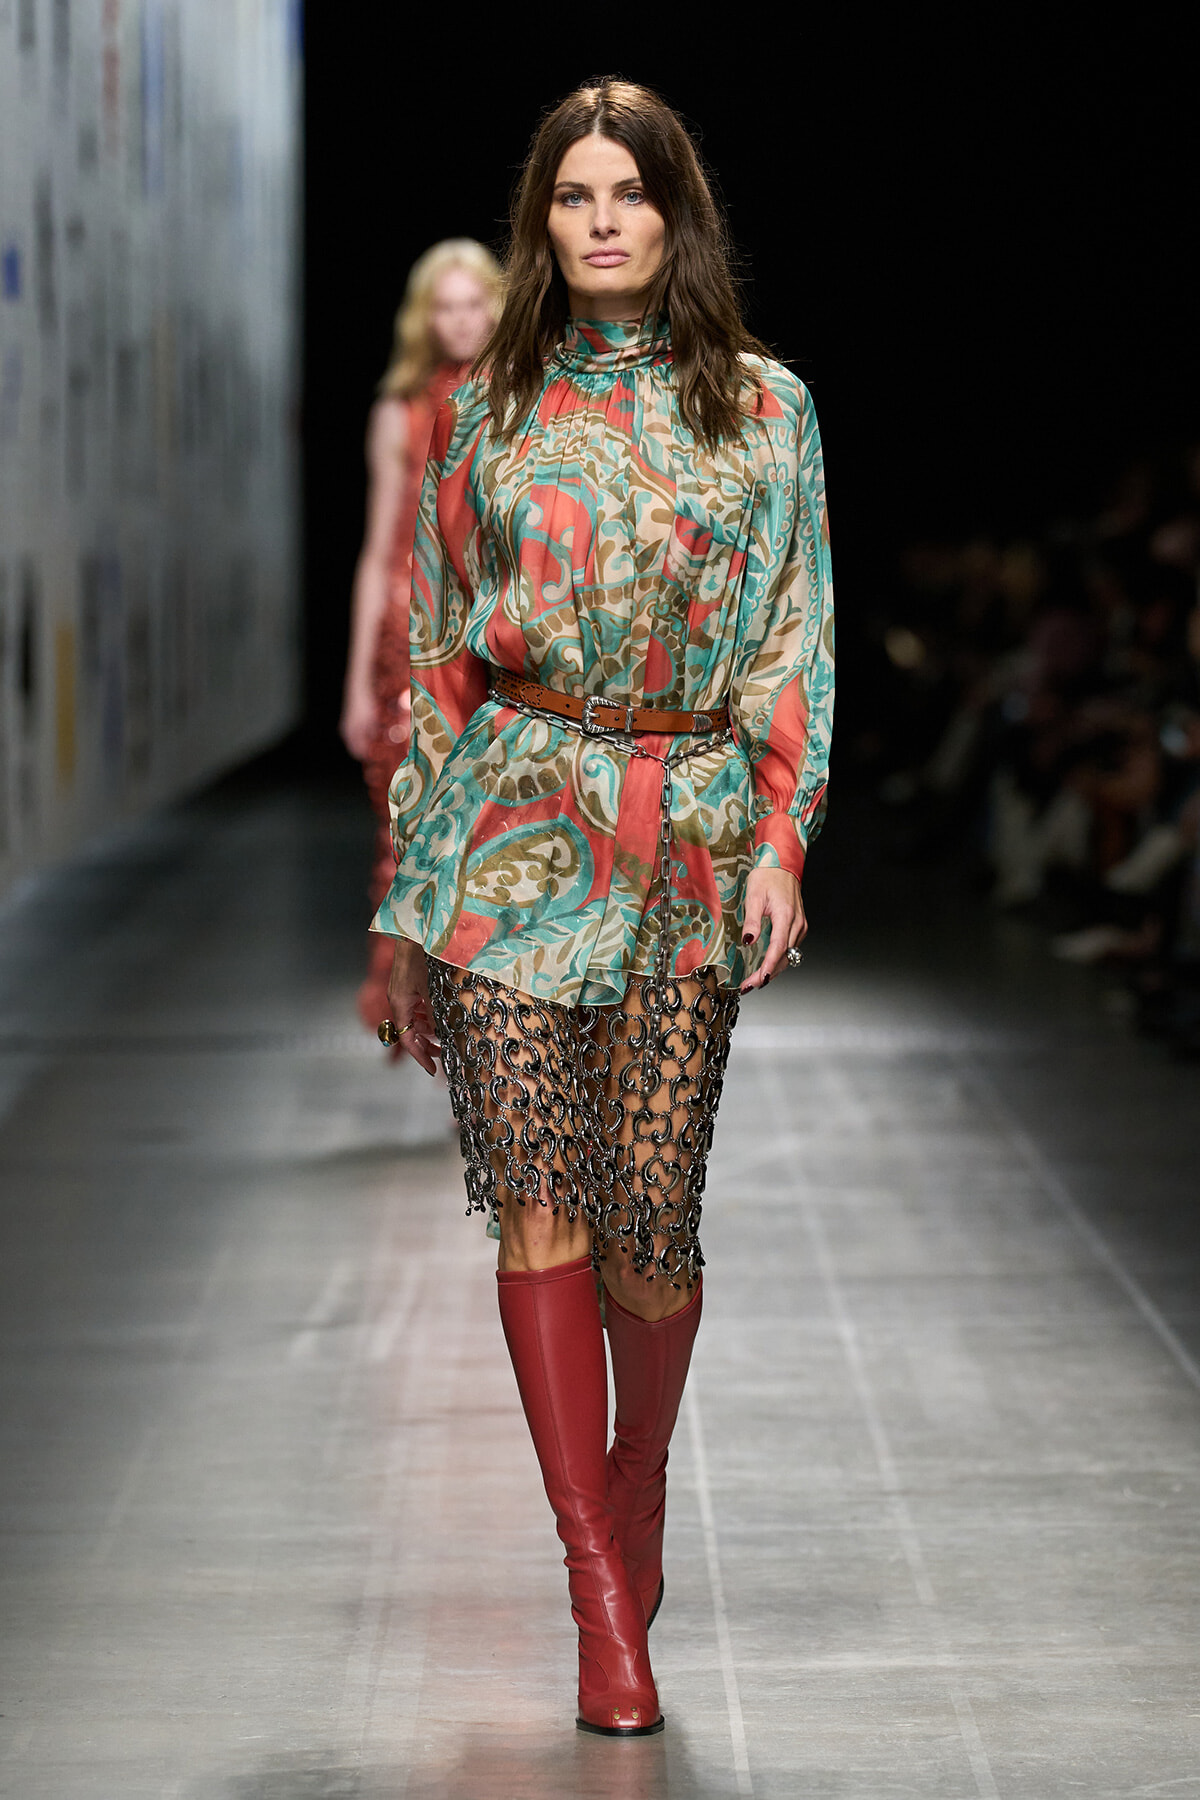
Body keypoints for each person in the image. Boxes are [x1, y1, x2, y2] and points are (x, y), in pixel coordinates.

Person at [373, 79, 833, 1736]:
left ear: (676, 213)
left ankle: (635, 1496)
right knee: (541, 1207)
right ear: (543, 221)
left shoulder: (766, 414)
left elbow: (793, 640)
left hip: (691, 835)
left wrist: (784, 836)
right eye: (573, 195)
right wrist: (409, 890)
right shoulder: (485, 411)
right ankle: (596, 1593)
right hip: (507, 837)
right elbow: (438, 652)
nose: (604, 219)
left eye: (630, 192)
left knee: (652, 1227)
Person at [340, 240, 503, 1032]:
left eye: (476, 304)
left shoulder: (521, 400)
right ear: (424, 319)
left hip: (492, 636)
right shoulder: (398, 412)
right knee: (411, 831)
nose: (462, 321)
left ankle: (483, 1030)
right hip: (403, 643)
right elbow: (377, 550)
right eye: (447, 306)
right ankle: (430, 1020)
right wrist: (352, 688)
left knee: (488, 834)